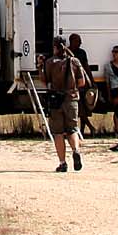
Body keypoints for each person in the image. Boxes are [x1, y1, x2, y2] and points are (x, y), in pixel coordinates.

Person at [39, 35, 86, 172]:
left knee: (58, 133)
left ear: (55, 47)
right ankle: (76, 150)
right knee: (72, 129)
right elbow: (82, 82)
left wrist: (40, 66)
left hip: (56, 100)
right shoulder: (75, 61)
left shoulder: (50, 62)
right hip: (71, 99)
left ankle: (62, 163)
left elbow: (44, 80)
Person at [67, 32, 95, 135]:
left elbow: (86, 67)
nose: (80, 43)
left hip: (82, 82)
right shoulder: (67, 53)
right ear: (72, 41)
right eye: (78, 41)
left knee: (84, 107)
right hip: (72, 83)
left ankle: (83, 130)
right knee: (80, 108)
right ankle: (90, 127)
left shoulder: (82, 53)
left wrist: (92, 81)